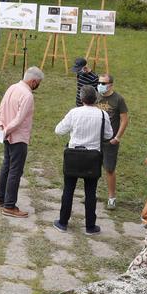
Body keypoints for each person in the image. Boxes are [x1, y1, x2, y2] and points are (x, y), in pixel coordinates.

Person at [53, 85, 113, 235]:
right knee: (91, 192)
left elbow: (59, 130)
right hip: (93, 157)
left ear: (81, 98)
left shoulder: (74, 113)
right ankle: (90, 226)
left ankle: (63, 222)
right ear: (96, 98)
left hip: (73, 154)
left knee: (68, 190)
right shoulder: (103, 115)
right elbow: (108, 135)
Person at [0, 67, 43, 218]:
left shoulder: (12, 88)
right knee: (15, 170)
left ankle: (0, 198)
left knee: (6, 167)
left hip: (6, 135)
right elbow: (19, 119)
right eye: (38, 83)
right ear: (34, 81)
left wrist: (1, 127)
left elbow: (1, 111)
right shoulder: (27, 95)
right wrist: (7, 130)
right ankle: (9, 205)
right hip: (18, 137)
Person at [94, 73, 129, 209]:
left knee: (109, 169)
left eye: (103, 83)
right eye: (99, 83)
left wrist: (117, 137)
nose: (100, 85)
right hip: (95, 139)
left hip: (110, 141)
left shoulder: (118, 99)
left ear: (111, 85)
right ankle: (92, 193)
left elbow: (124, 119)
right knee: (93, 167)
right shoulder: (96, 96)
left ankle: (111, 197)